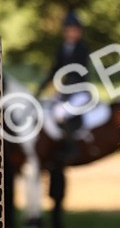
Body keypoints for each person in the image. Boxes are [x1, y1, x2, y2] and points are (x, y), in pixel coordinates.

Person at [36, 11, 93, 162]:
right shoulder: (63, 48)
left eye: (74, 30)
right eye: (68, 30)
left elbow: (78, 73)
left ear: (79, 31)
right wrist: (42, 86)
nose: (71, 33)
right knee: (49, 110)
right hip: (67, 90)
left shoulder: (82, 48)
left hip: (80, 90)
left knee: (61, 113)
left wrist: (65, 90)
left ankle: (73, 148)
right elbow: (55, 69)